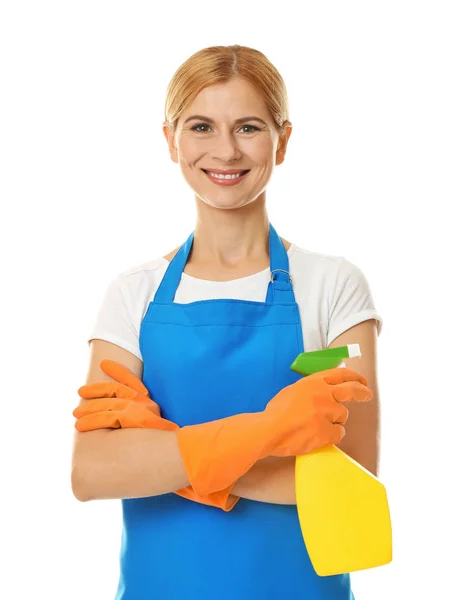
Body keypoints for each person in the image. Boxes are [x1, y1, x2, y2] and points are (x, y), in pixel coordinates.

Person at [71, 44, 383, 600]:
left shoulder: (333, 287)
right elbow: (93, 472)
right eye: (200, 126)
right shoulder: (133, 295)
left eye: (247, 127)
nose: (225, 150)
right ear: (170, 140)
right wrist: (270, 434)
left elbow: (353, 477)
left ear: (282, 141)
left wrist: (161, 455)